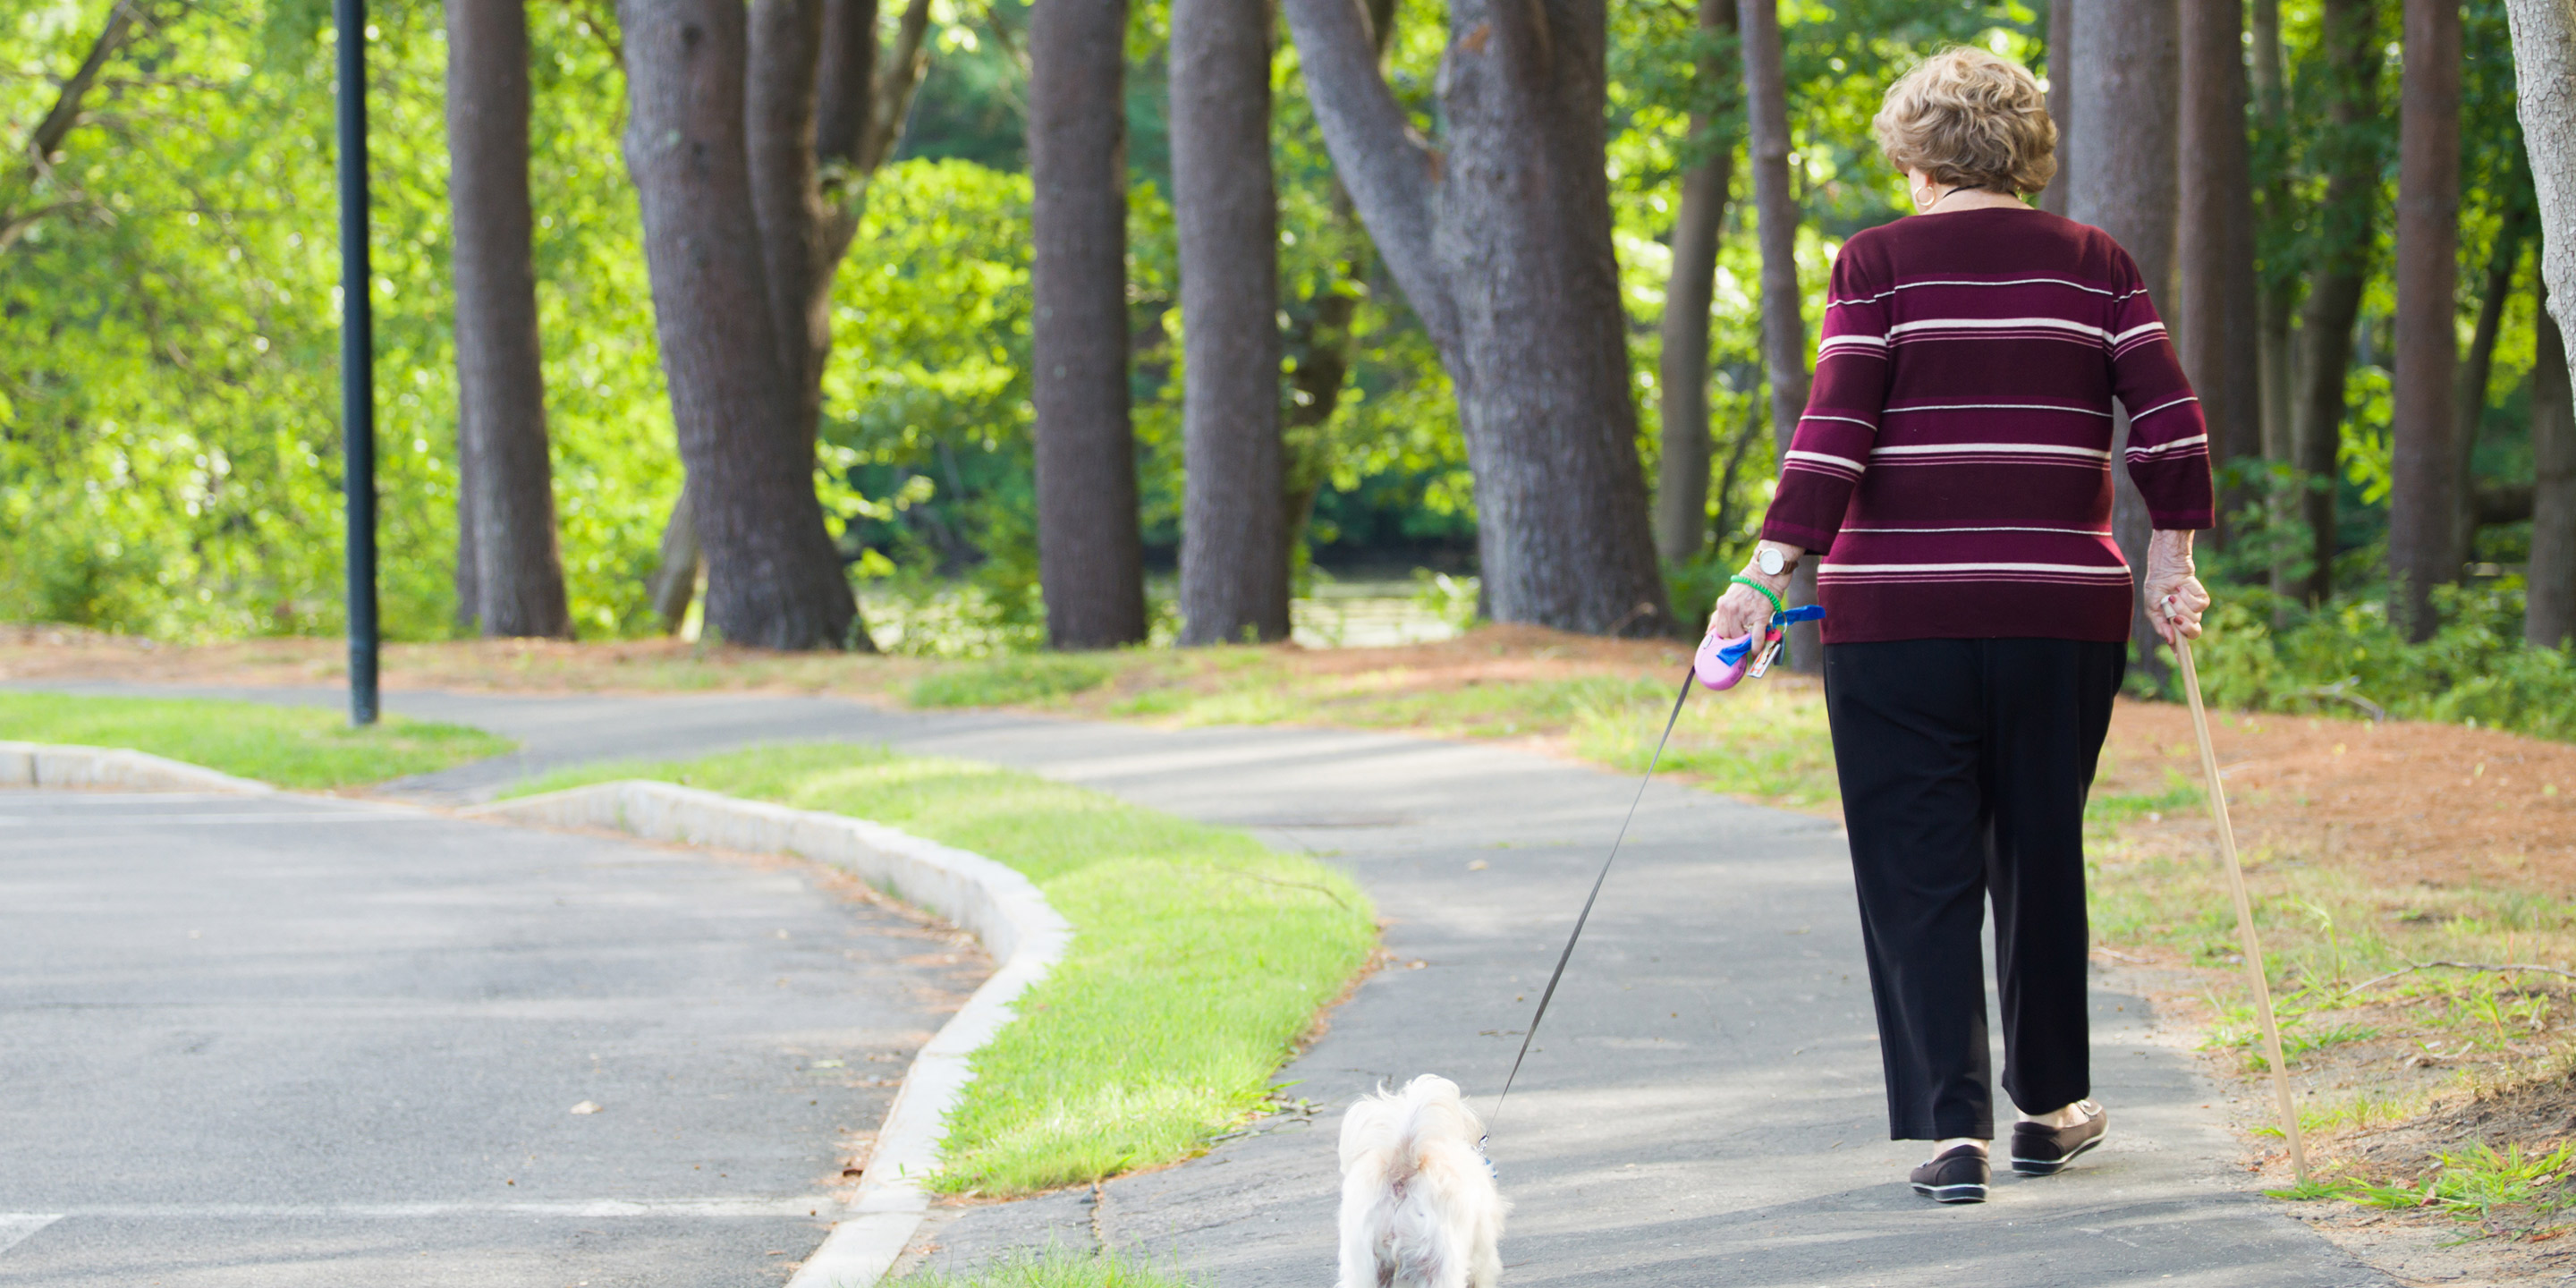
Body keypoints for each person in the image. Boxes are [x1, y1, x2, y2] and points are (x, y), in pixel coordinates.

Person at [1706, 46, 2214, 1205]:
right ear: (2025, 149)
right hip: (2057, 613)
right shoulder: (2099, 265)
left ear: (1916, 158)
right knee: (2037, 850)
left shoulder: (1876, 263)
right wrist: (2168, 559)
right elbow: (2169, 416)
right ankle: (2047, 1111)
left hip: (1897, 616)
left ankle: (1954, 1137)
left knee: (1916, 869)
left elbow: (1834, 430)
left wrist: (1765, 572)